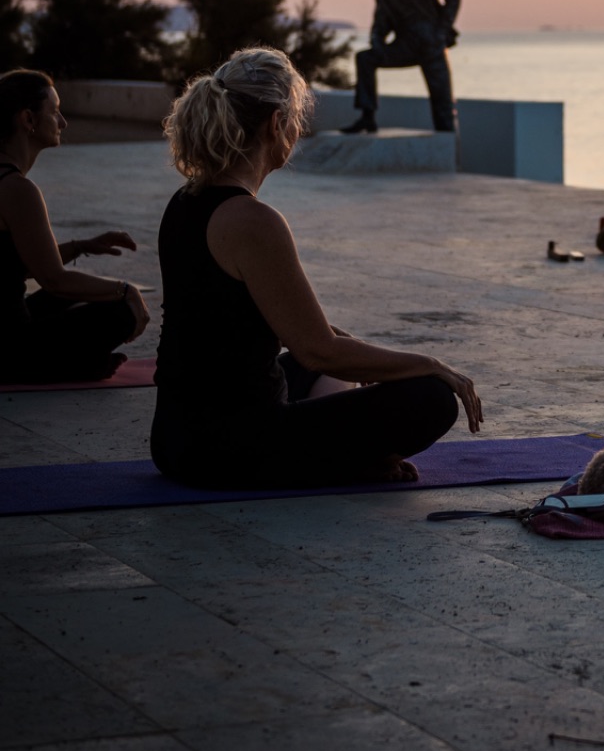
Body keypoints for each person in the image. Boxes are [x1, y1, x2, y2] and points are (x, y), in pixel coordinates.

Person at [151, 46, 481, 487]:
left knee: (336, 356)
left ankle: (355, 454)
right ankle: (354, 460)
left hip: (176, 437)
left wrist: (361, 356)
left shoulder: (186, 199)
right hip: (227, 451)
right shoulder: (253, 221)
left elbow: (298, 341)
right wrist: (430, 363)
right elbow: (317, 351)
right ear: (276, 124)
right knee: (432, 397)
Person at [0, 69, 149, 382]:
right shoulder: (16, 189)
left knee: (78, 295)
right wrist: (126, 291)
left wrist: (81, 246)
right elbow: (53, 279)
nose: (63, 122)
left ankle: (78, 360)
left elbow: (20, 265)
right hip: (10, 349)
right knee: (119, 311)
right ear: (28, 120)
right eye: (54, 112)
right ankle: (71, 365)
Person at [343, 0, 461, 135]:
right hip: (405, 46)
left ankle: (446, 144)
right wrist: (377, 41)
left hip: (430, 44)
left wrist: (441, 30)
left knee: (442, 103)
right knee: (365, 59)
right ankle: (367, 117)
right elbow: (381, 23)